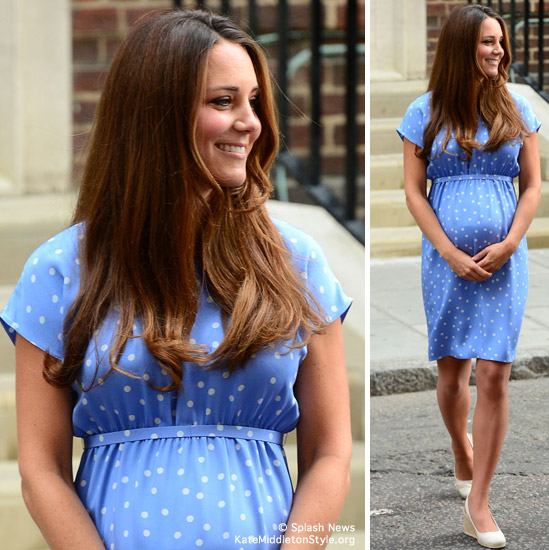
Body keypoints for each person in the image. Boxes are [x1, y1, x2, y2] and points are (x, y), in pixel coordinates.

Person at [0, 8, 353, 550]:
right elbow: (42, 471)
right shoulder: (60, 270)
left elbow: (330, 454)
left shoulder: (296, 262)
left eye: (253, 101)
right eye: (222, 101)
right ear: (156, 115)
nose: (250, 122)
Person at [398, 4, 541, 549]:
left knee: (494, 376)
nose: (497, 51)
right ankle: (461, 447)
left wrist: (509, 243)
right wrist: (449, 251)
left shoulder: (517, 107)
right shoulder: (423, 112)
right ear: (462, 47)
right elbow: (413, 191)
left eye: (500, 42)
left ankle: (478, 503)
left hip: (506, 262)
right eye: (486, 42)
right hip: (446, 263)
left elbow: (530, 186)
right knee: (453, 372)